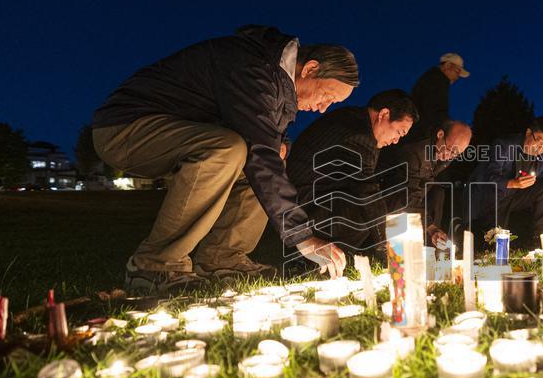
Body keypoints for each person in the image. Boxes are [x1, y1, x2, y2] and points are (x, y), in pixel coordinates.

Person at [92, 25, 355, 293]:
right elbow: (259, 151)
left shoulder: (275, 84)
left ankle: (222, 259)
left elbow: (263, 142)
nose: (323, 108)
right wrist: (303, 236)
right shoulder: (254, 68)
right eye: (327, 96)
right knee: (230, 149)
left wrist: (280, 144)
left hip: (174, 131)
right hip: (125, 127)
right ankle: (155, 264)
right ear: (310, 69)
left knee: (266, 155)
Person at [285, 89, 418, 252]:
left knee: (381, 202)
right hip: (303, 206)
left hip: (311, 196)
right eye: (399, 132)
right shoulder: (360, 136)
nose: (396, 140)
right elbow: (367, 190)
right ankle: (317, 256)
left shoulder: (354, 119)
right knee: (365, 209)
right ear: (383, 114)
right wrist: (389, 245)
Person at [468, 116, 543, 246]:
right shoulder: (504, 145)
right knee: (494, 245)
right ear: (528, 133)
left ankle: (542, 243)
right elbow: (489, 179)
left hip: (517, 197)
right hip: (493, 197)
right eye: (538, 141)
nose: (540, 148)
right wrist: (514, 183)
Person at [378, 119, 472, 246]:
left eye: (456, 154)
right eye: (450, 149)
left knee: (438, 193)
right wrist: (431, 226)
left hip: (413, 191)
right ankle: (390, 246)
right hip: (388, 192)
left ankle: (430, 247)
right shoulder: (415, 152)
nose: (450, 156)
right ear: (440, 134)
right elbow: (409, 197)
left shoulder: (444, 153)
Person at [410, 52, 470, 133]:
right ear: (447, 66)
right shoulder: (438, 79)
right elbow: (436, 110)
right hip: (419, 135)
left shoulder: (431, 76)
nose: (457, 77)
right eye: (457, 71)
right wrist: (451, 127)